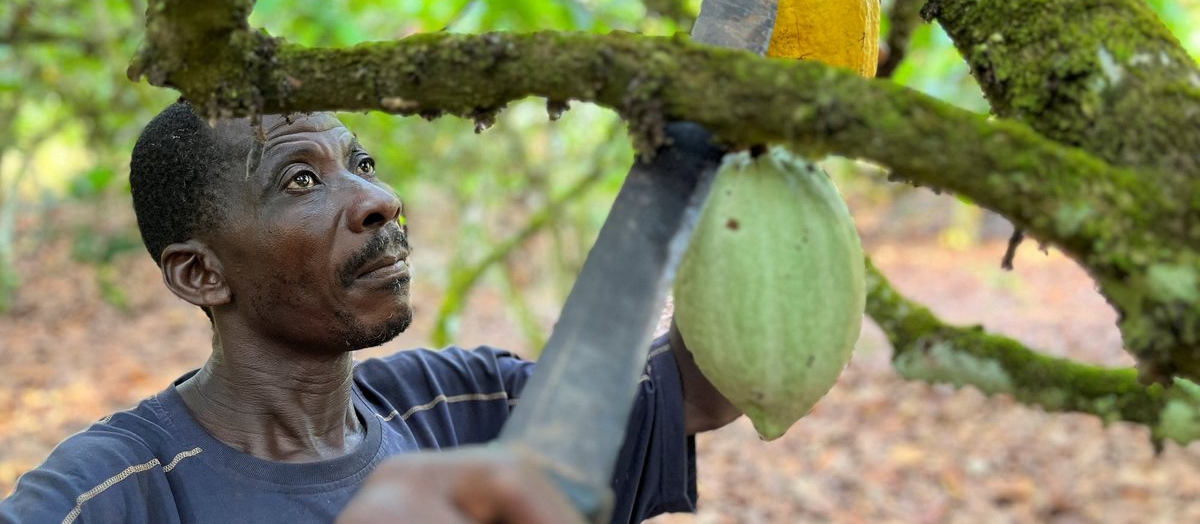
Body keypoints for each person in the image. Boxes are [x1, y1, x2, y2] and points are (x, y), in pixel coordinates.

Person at [0, 102, 740, 523]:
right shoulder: (112, 491)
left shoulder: (461, 404)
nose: (379, 200)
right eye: (299, 179)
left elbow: (707, 385)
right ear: (200, 273)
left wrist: (759, 154)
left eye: (363, 164)